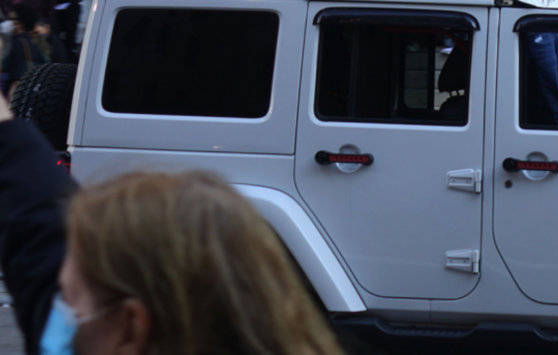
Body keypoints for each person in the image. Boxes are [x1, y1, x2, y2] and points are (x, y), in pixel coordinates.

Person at [0, 91, 347, 355]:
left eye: (68, 299)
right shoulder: (106, 319)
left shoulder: (73, 341)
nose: (54, 308)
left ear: (131, 328)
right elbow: (39, 222)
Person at [0, 5, 47, 97]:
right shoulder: (34, 42)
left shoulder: (18, 44)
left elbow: (17, 76)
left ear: (21, 23)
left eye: (12, 19)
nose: (8, 23)